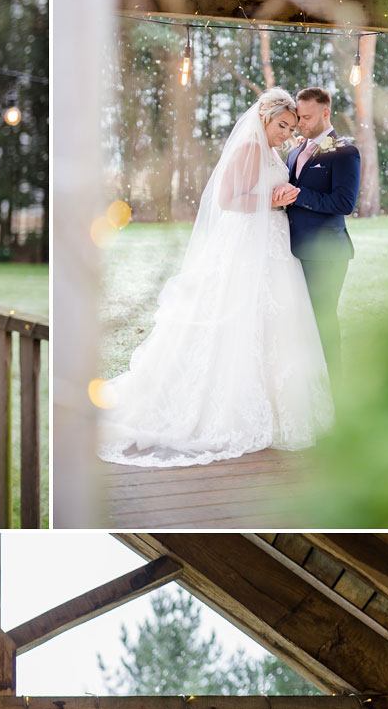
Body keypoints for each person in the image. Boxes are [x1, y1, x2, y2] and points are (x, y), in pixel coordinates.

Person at [97, 87, 333, 467]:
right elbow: (228, 199)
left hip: (273, 245)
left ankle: (277, 409)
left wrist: (280, 198)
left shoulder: (274, 152)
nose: (286, 134)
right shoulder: (248, 149)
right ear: (264, 119)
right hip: (245, 245)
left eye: (291, 127)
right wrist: (270, 200)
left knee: (275, 322)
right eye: (282, 125)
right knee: (236, 316)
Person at [277, 86, 360, 380]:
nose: (301, 123)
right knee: (300, 320)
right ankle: (308, 382)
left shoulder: (345, 152)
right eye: (299, 117)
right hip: (293, 250)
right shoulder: (297, 149)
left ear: (326, 112)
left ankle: (334, 384)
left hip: (326, 254)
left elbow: (344, 203)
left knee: (322, 320)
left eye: (308, 117)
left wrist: (297, 194)